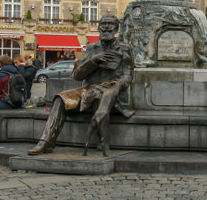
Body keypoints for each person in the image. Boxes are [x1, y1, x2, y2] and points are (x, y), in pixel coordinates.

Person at [28, 14, 134, 155]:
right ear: (98, 28)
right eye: (104, 25)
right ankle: (46, 142)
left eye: (111, 25)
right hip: (88, 89)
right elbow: (77, 76)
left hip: (110, 91)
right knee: (60, 98)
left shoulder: (125, 49)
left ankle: (102, 141)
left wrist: (115, 87)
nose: (107, 28)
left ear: (117, 28)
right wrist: (93, 61)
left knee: (98, 96)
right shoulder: (92, 48)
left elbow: (128, 76)